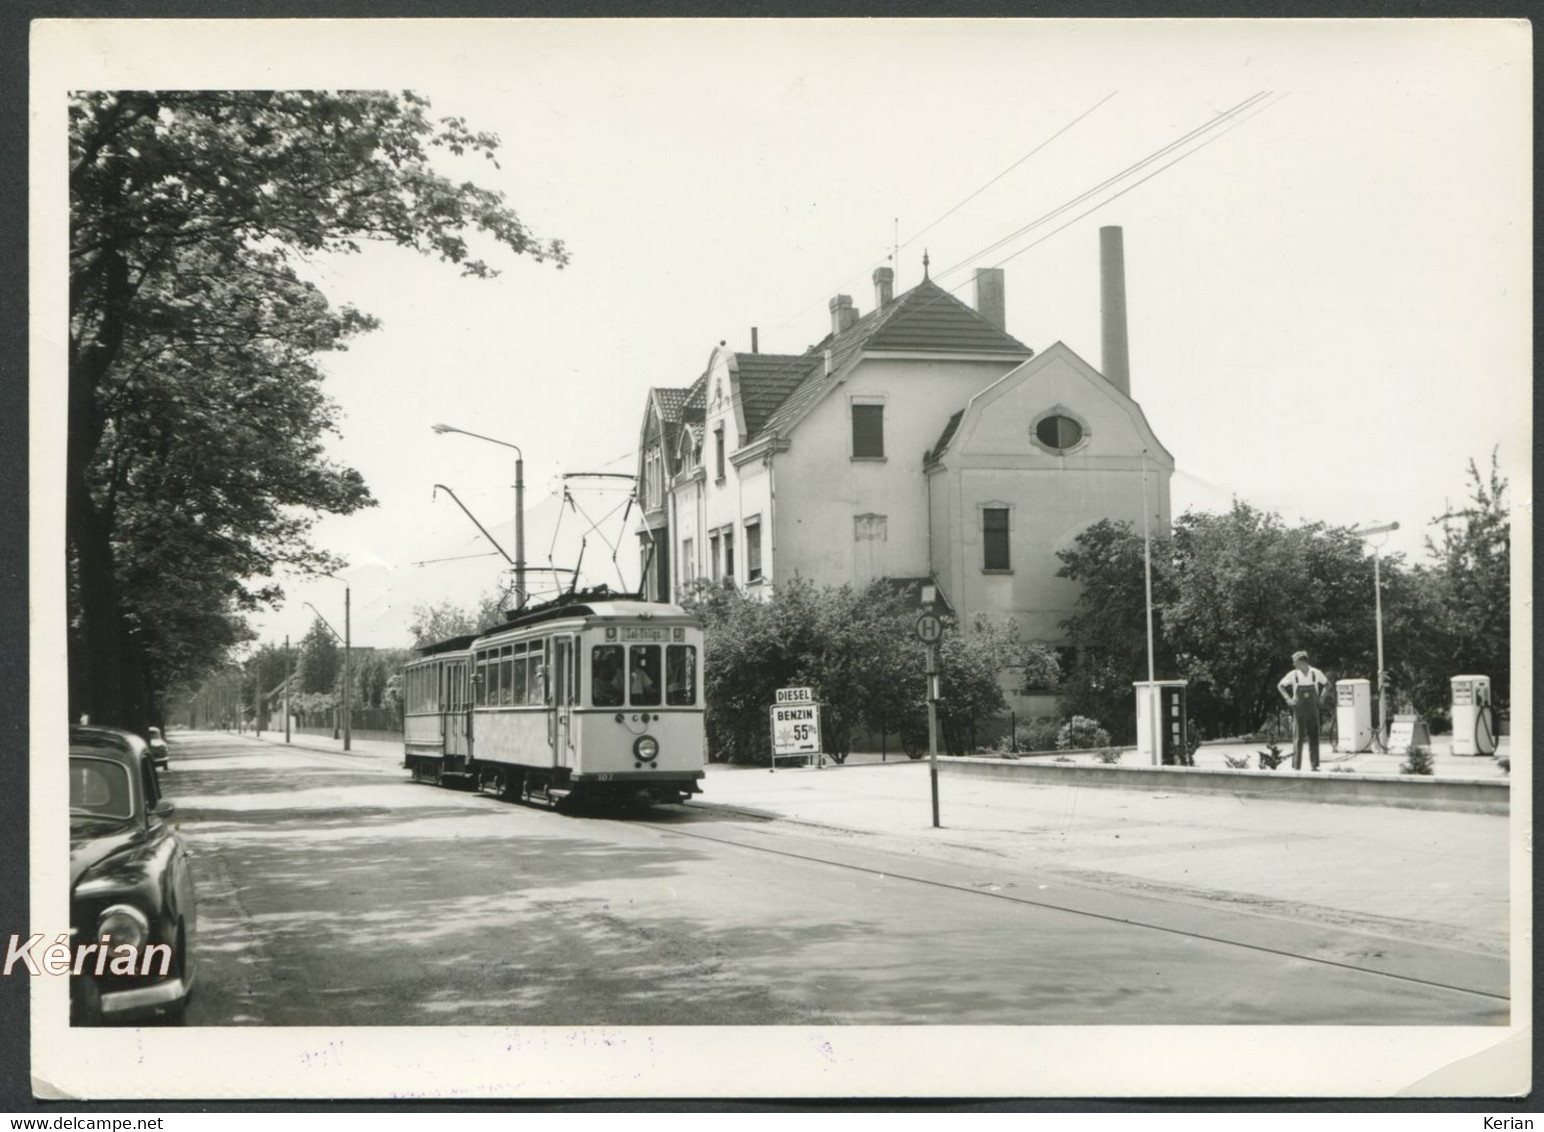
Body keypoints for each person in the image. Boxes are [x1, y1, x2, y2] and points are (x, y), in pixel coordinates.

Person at [1278, 650, 1328, 770]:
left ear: (1302, 661)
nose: (1294, 664)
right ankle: (1297, 766)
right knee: (1298, 738)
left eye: (1295, 661)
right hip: (1299, 709)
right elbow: (1280, 686)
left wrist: (1322, 697)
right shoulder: (1293, 674)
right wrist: (1288, 699)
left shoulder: (1316, 673)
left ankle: (1314, 765)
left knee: (1314, 737)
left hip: (1312, 709)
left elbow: (1327, 684)